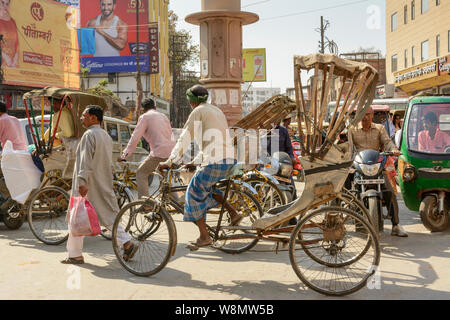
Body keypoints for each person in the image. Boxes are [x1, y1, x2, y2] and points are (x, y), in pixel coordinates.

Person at [158, 85, 240, 249]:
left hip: (216, 160)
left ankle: (204, 236)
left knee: (192, 193)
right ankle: (233, 212)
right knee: (207, 187)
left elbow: (185, 138)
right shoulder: (215, 111)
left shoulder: (197, 111)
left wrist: (169, 161)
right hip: (228, 159)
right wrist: (194, 162)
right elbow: (212, 142)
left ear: (190, 100)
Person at [61, 105, 136, 264]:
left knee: (76, 218)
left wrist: (82, 181)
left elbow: (84, 160)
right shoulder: (105, 135)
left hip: (88, 183)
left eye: (84, 115)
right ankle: (126, 242)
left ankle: (75, 255)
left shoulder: (89, 135)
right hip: (102, 181)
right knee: (106, 215)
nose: (81, 118)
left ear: (93, 118)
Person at [348, 106, 408, 237]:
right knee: (345, 189)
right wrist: (346, 158)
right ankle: (340, 218)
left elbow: (387, 142)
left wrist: (393, 149)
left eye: (368, 114)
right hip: (359, 166)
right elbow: (348, 147)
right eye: (362, 114)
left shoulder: (379, 128)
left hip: (376, 165)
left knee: (390, 192)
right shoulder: (352, 130)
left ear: (372, 115)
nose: (365, 117)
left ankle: (396, 225)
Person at [118, 98, 175, 199]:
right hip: (172, 152)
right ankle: (176, 202)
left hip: (159, 152)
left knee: (141, 173)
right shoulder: (163, 116)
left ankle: (145, 204)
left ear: (143, 110)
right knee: (164, 178)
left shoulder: (145, 117)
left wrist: (124, 155)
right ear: (155, 108)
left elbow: (135, 137)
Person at [266, 121, 298, 225]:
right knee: (266, 190)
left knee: (292, 189)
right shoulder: (262, 131)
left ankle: (292, 216)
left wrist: (292, 158)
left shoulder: (283, 131)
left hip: (282, 165)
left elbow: (289, 149)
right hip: (268, 165)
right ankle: (265, 214)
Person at [43, 98, 77, 179]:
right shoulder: (59, 113)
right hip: (55, 148)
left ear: (61, 103)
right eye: (52, 103)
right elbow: (52, 129)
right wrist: (43, 140)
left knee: (36, 159)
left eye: (55, 103)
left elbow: (69, 133)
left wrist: (55, 136)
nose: (53, 106)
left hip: (58, 150)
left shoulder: (63, 114)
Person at [0, 101, 28, 197]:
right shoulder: (15, 119)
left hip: (12, 155)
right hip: (23, 153)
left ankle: (10, 197)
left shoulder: (1, 120)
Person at [0, 0, 19, 68]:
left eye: (7, 4)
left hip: (13, 64)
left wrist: (15, 60)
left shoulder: (13, 21)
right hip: (2, 62)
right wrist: (5, 58)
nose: (5, 6)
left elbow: (17, 44)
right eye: (2, 3)